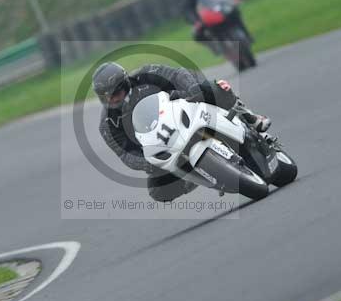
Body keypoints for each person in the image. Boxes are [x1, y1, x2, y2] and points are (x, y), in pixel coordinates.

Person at [93, 61, 271, 202]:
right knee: (157, 190)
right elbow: (124, 154)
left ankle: (250, 118)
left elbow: (177, 74)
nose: (112, 99)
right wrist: (146, 162)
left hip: (183, 110)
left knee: (214, 87)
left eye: (115, 93)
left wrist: (192, 89)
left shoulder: (146, 74)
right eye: (106, 96)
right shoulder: (107, 124)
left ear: (125, 82)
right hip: (164, 145)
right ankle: (190, 178)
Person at [182, 0, 246, 52]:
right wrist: (195, 21)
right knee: (197, 34)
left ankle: (245, 34)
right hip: (204, 17)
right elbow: (187, 11)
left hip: (220, 10)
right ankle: (214, 47)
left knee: (235, 13)